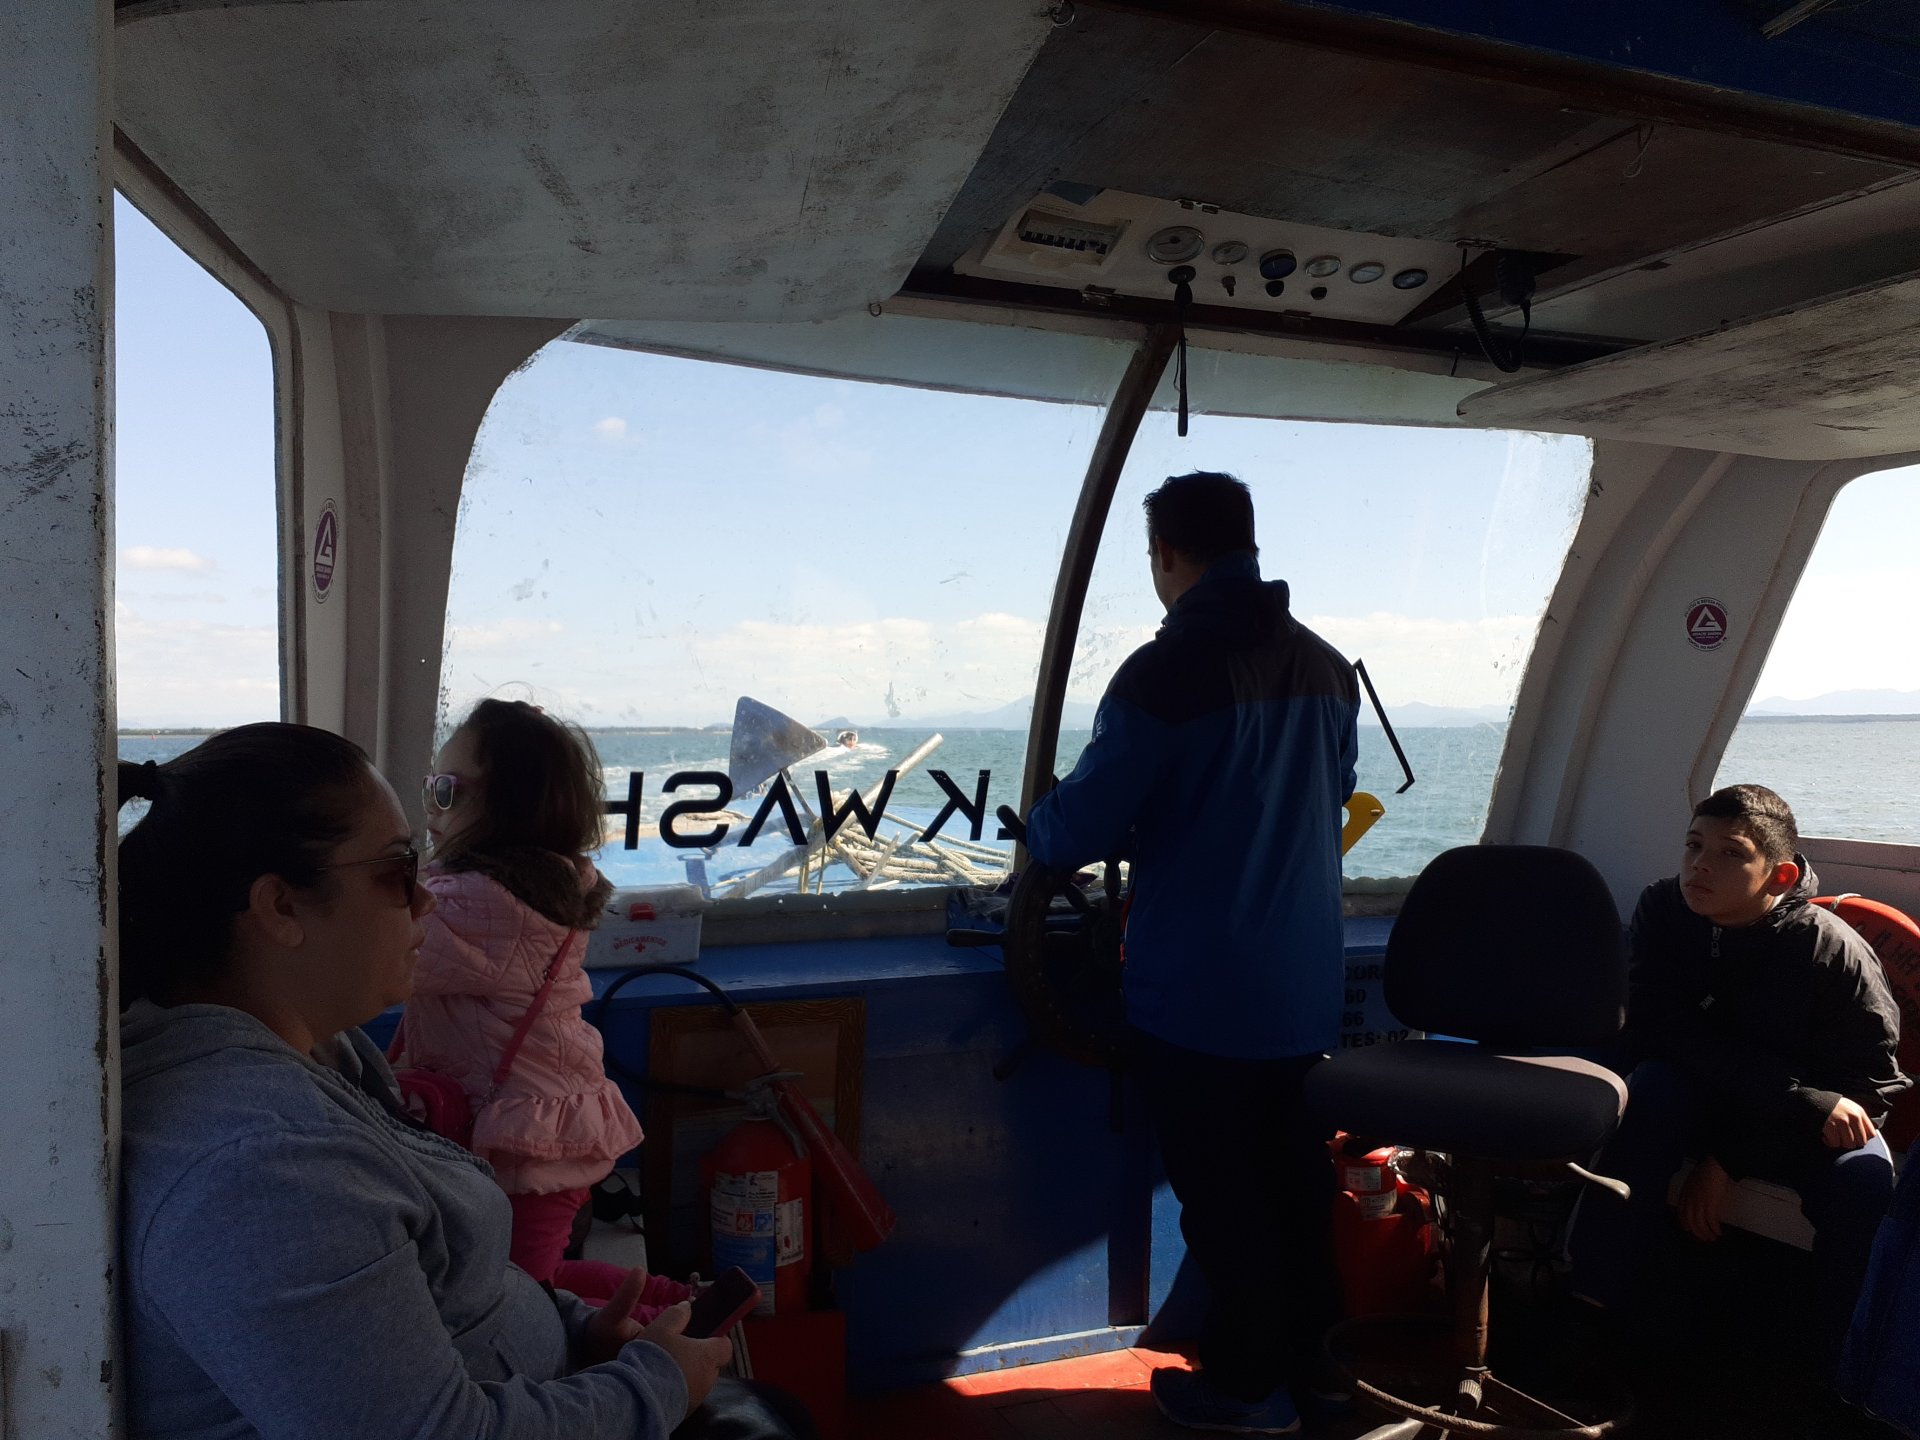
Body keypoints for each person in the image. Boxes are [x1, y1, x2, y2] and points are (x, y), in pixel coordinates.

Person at [117, 723, 803, 1440]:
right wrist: (655, 1385)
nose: (426, 900)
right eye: (396, 870)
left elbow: (451, 1301)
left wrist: (579, 1333)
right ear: (281, 908)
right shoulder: (260, 1170)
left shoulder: (322, 1056)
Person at [1024, 471, 1359, 1435]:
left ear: (1165, 554)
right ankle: (1322, 1376)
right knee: (1295, 1185)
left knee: (1223, 1201)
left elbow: (1078, 827)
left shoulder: (1161, 676)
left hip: (1201, 998)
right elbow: (1335, 790)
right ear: (1247, 542)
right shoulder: (1327, 666)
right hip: (1302, 991)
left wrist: (1039, 824)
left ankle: (1248, 1391)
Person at [1570, 783, 1908, 1375]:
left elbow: (1869, 1089)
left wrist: (1728, 1159)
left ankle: (1839, 1365)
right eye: (1693, 845)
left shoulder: (1830, 951)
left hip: (1792, 1122)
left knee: (1863, 1179)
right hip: (1745, 1095)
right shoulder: (1664, 911)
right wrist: (1788, 1100)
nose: (1700, 865)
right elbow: (1660, 1030)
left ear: (1780, 876)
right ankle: (1591, 1305)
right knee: (1652, 1091)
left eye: (1731, 853)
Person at [394, 698, 647, 1286]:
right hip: (539, 1125)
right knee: (533, 1283)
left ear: (510, 804)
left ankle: (682, 1319)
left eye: (447, 791)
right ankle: (683, 1306)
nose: (430, 806)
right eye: (429, 787)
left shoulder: (479, 906)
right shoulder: (540, 884)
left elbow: (376, 947)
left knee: (520, 1292)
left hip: (524, 1140)